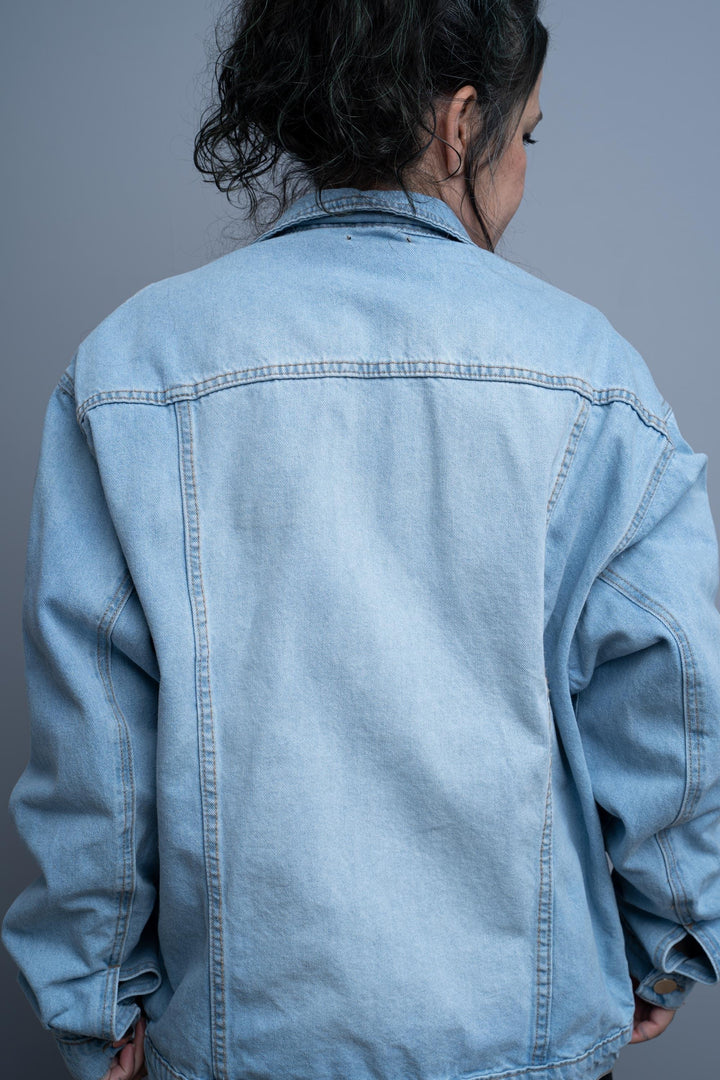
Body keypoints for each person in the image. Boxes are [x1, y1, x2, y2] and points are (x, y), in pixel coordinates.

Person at [3, 1, 719, 1079]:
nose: (524, 167)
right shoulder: (595, 377)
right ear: (461, 124)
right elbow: (668, 700)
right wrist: (669, 938)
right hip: (522, 1043)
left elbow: (93, 740)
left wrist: (94, 994)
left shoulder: (132, 367)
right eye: (526, 134)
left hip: (242, 1048)